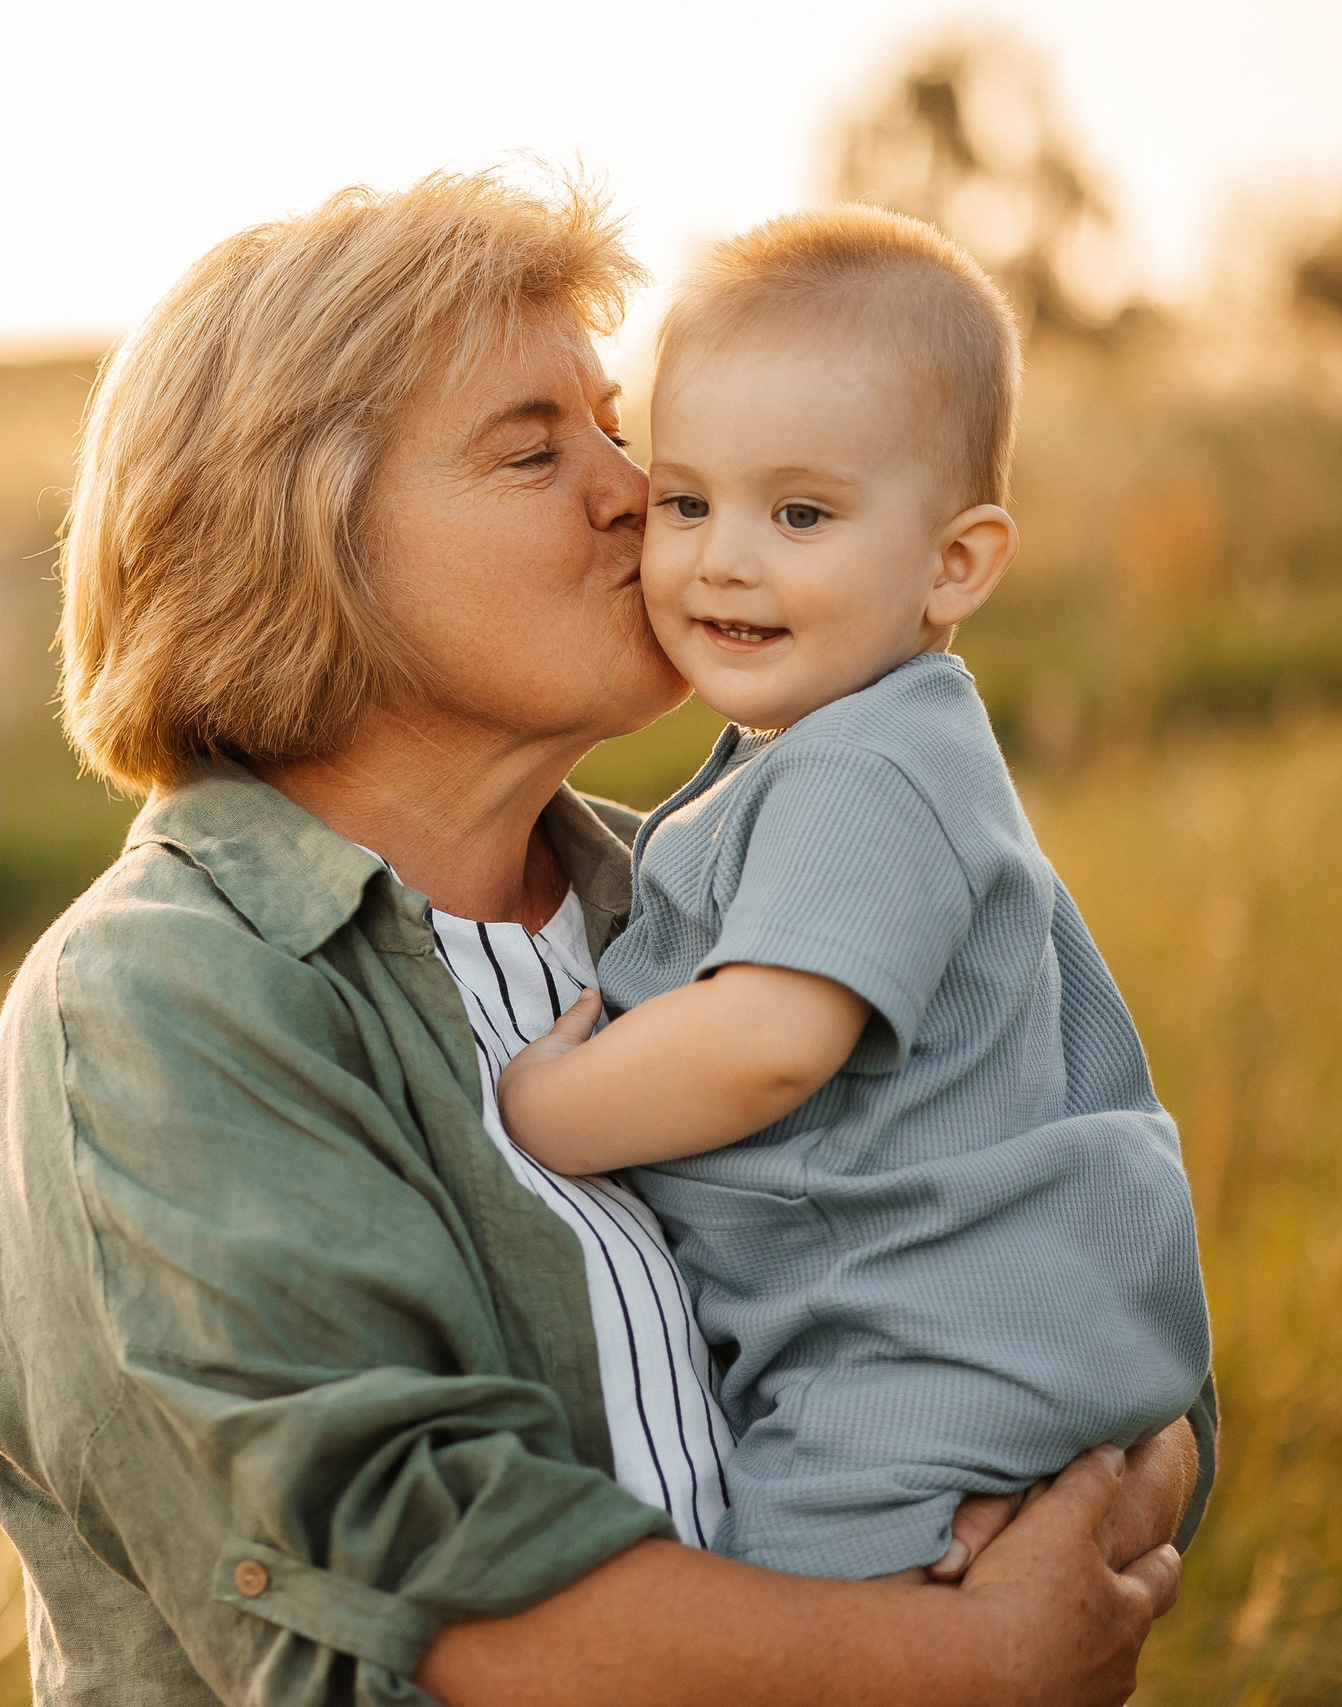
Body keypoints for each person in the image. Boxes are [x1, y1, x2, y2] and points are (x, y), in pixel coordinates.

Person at [0, 169, 1215, 1707]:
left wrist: (1118, 1486)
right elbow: (442, 1601)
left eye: (614, 426)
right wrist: (973, 1656)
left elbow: (1080, 1244)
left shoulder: (702, 899)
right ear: (302, 535)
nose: (635, 487)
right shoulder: (160, 1004)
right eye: (536, 449)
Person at [494, 207, 1212, 1582]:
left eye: (802, 513)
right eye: (689, 500)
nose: (724, 558)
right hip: (933, 1329)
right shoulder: (835, 750)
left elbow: (767, 1044)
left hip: (916, 1356)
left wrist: (535, 1109)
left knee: (812, 1625)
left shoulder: (866, 771)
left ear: (957, 563)